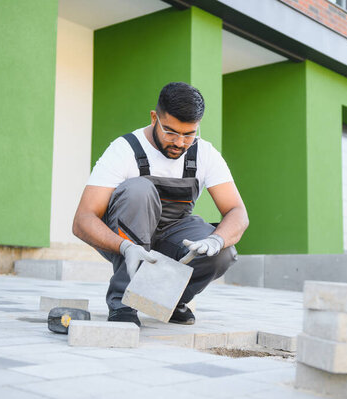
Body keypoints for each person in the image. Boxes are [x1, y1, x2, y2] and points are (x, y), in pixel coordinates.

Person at [72, 82, 249, 326]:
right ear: (154, 117)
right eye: (170, 132)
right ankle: (123, 303)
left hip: (172, 234)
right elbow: (83, 220)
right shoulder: (124, 150)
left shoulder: (204, 153)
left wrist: (216, 240)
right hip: (124, 236)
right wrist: (125, 247)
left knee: (224, 252)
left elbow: (237, 212)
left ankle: (168, 299)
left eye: (189, 134)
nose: (179, 142)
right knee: (139, 189)